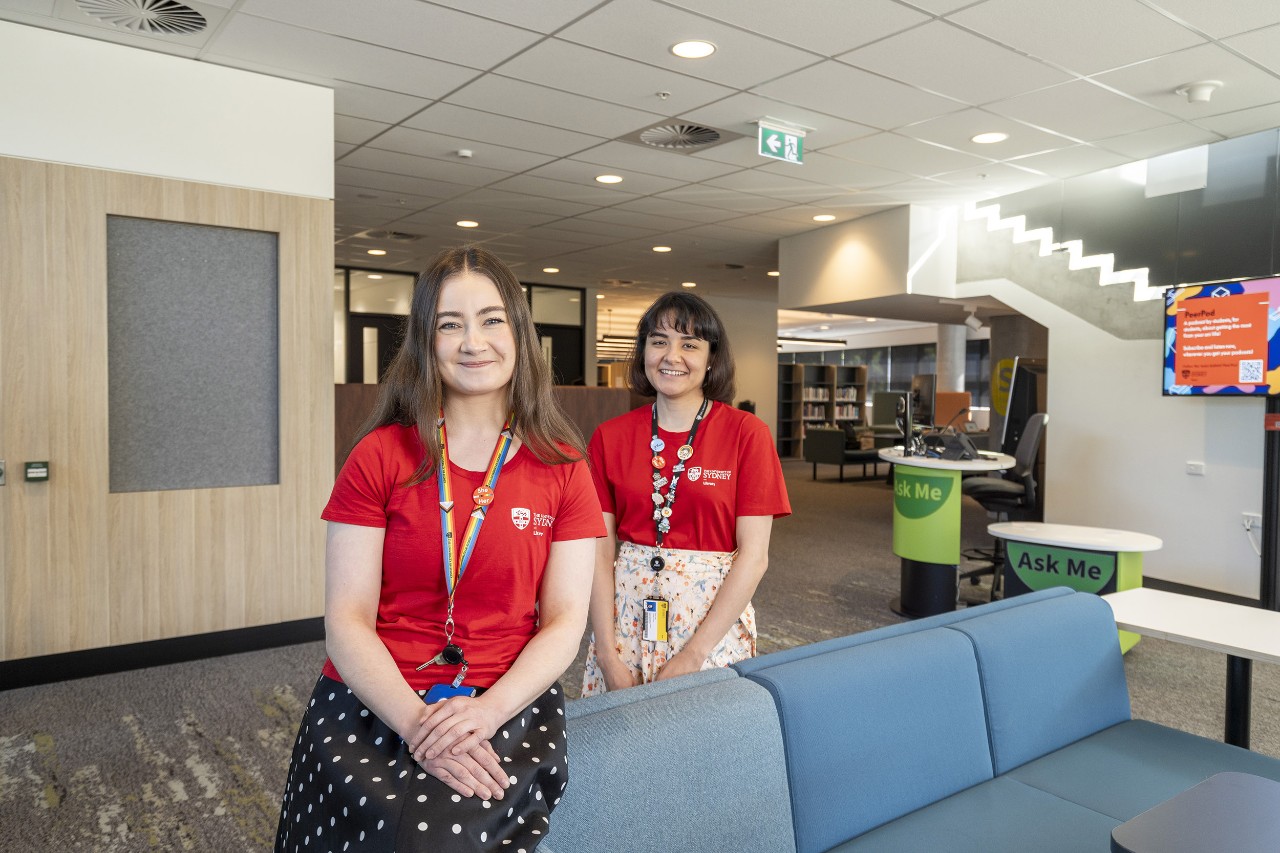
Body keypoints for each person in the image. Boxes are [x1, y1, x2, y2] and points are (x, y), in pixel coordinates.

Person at [275, 246, 604, 852]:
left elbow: (565, 622)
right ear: (426, 342)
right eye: (450, 324)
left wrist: (485, 712)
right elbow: (346, 621)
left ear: (520, 334)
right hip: (376, 698)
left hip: (506, 701)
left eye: (491, 319)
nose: (473, 341)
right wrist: (419, 724)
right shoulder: (379, 455)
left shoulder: (563, 465)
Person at [581, 293, 791, 695]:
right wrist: (607, 652)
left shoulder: (747, 434)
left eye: (689, 344)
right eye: (658, 341)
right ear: (643, 351)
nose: (671, 355)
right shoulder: (611, 436)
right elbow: (599, 553)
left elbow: (754, 556)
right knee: (621, 744)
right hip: (625, 620)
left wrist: (695, 654)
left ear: (712, 358)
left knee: (703, 746)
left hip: (709, 625)